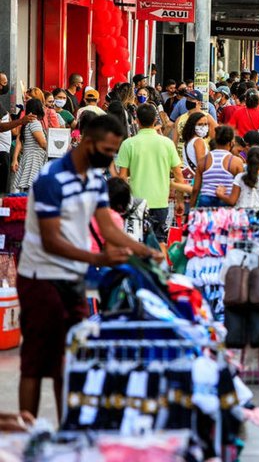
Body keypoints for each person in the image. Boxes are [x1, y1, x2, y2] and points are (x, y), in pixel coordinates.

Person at [16, 114, 160, 419]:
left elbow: (108, 228)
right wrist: (98, 259)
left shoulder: (95, 179)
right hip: (41, 277)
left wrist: (144, 251)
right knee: (36, 362)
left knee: (72, 358)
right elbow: (51, 240)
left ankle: (67, 430)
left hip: (73, 277)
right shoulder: (51, 179)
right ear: (88, 142)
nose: (111, 157)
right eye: (108, 151)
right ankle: (25, 436)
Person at [116, 104, 186, 245]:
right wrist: (180, 200)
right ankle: (160, 267)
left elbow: (122, 178)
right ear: (155, 120)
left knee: (136, 241)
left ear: (137, 121)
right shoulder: (167, 143)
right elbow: (179, 175)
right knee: (159, 241)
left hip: (136, 202)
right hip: (160, 201)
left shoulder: (128, 144)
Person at [192, 125, 244, 208]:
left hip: (205, 200)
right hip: (226, 200)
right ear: (232, 142)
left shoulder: (203, 161)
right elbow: (240, 187)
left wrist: (192, 208)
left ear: (215, 140)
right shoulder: (236, 162)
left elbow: (195, 189)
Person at [11, 99, 48, 193]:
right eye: (42, 106)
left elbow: (19, 140)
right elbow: (42, 143)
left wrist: (15, 159)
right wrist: (55, 149)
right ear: (39, 108)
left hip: (27, 158)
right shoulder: (35, 123)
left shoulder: (27, 123)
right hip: (34, 159)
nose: (44, 108)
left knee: (28, 188)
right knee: (32, 188)